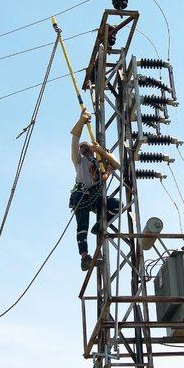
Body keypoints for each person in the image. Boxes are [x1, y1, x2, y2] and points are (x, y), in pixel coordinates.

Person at [69, 108, 120, 271]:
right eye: (82, 148)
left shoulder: (99, 164)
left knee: (116, 205)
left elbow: (117, 165)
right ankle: (84, 257)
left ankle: (100, 223)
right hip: (81, 196)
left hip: (94, 196)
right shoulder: (79, 161)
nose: (84, 149)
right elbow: (75, 140)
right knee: (82, 225)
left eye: (87, 147)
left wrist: (101, 151)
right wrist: (81, 122)